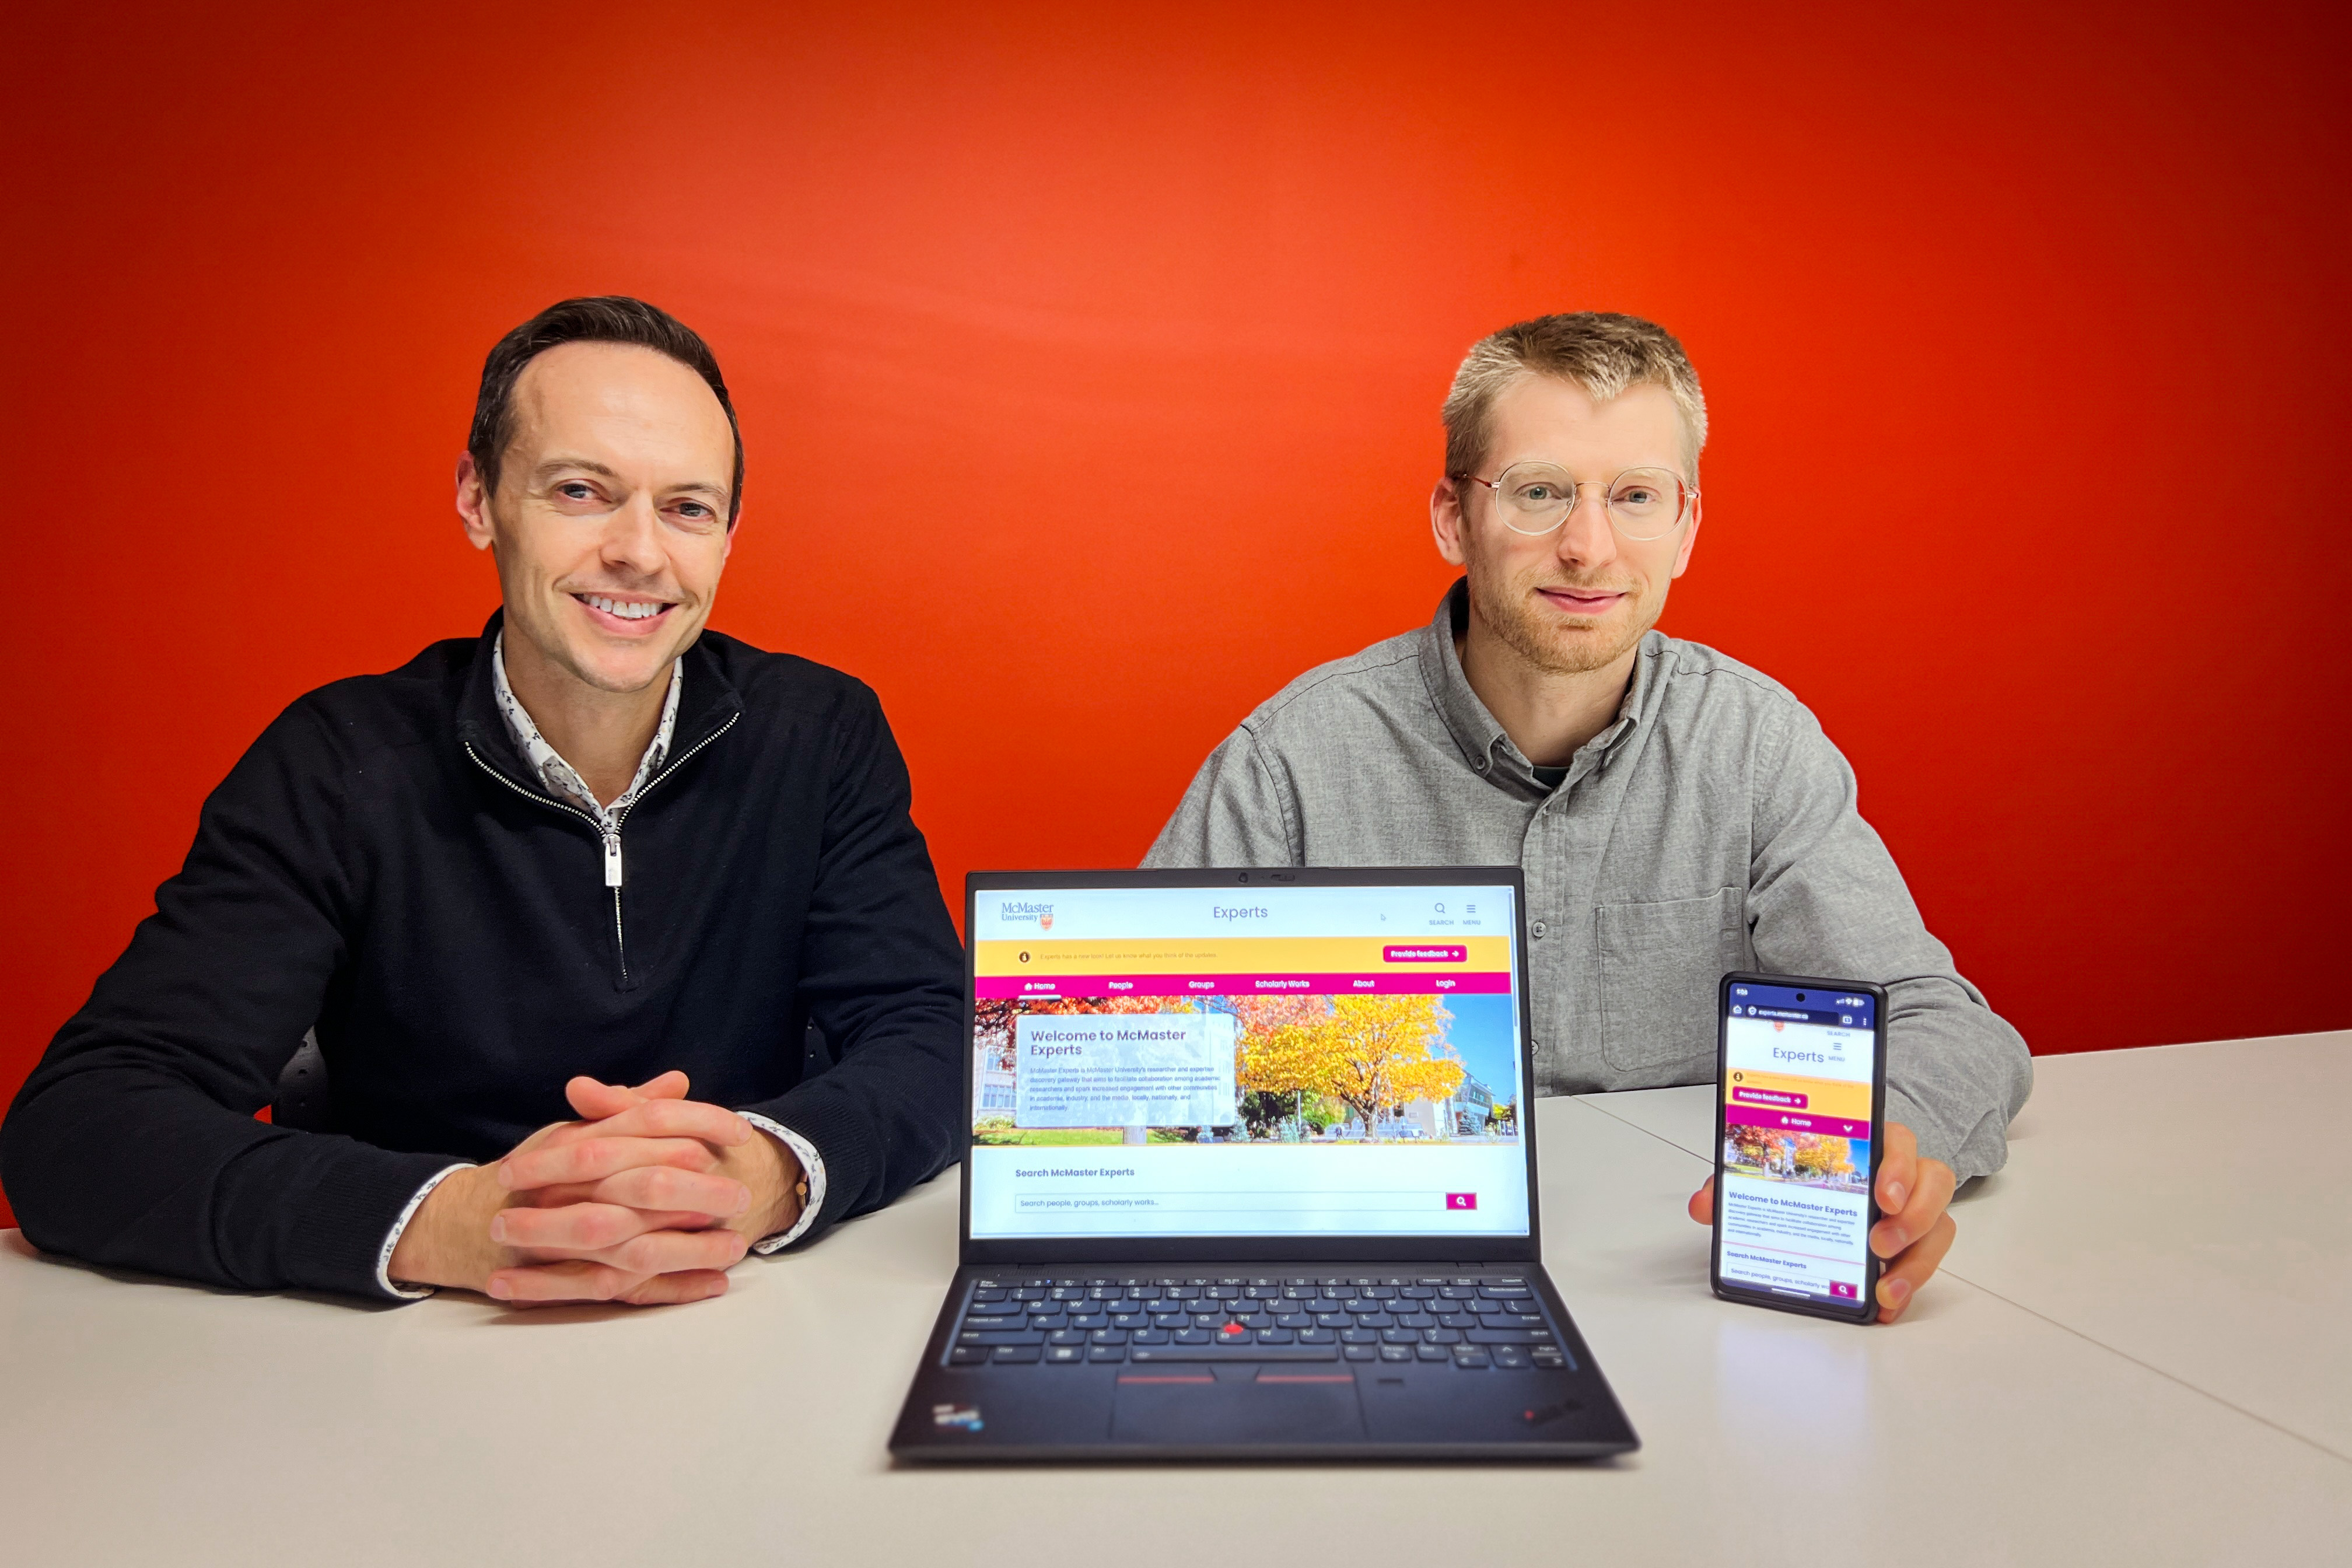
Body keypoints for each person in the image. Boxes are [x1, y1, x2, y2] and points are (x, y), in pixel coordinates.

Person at [1, 297, 965, 1307]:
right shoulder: (334, 763)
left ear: (727, 535)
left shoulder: (821, 734)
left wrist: (770, 1169)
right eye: (582, 490)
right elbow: (80, 1127)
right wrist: (458, 1221)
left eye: (687, 507)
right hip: (409, 1364)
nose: (640, 552)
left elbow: (938, 1034)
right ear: (478, 498)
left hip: (741, 1318)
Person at [1144, 312, 2031, 1322]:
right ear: (1452, 518)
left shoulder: (1757, 745)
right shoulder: (1289, 765)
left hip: (1689, 1293)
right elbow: (1151, 1053)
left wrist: (1888, 1153)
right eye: (1539, 493)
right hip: (1385, 1291)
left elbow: (1941, 1021)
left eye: (1636, 497)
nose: (1588, 547)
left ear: (1687, 528)